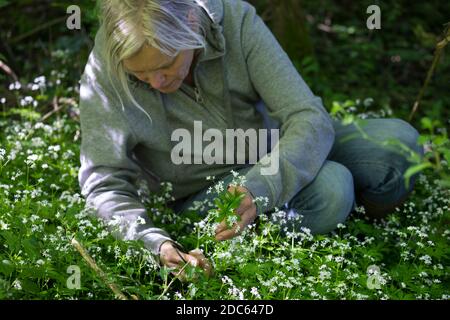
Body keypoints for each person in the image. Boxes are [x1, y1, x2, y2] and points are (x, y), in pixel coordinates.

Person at [78, 0, 424, 278]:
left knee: (399, 141)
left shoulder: (236, 21)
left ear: (193, 27)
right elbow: (104, 184)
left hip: (274, 152)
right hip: (204, 191)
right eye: (139, 74)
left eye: (167, 64)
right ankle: (318, 219)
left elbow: (307, 117)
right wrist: (155, 245)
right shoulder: (105, 72)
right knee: (333, 187)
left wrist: (261, 187)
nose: (156, 82)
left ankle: (353, 219)